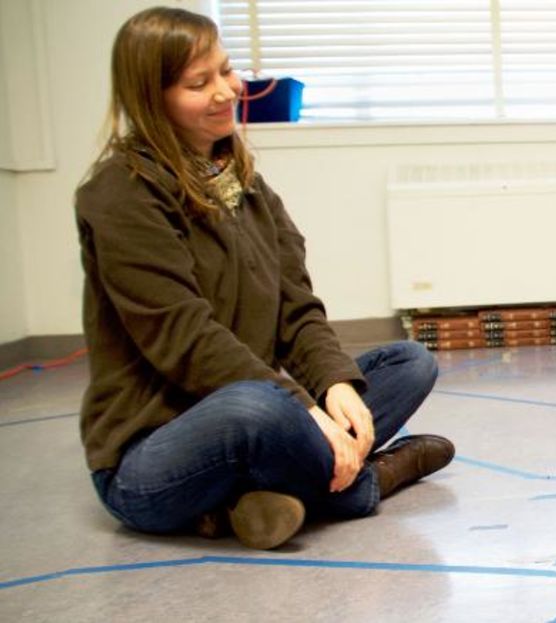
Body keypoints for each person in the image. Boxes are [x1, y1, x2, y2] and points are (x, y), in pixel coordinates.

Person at [75, 7, 454, 550]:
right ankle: (370, 480)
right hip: (149, 458)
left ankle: (242, 503)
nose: (226, 91)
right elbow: (185, 338)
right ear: (150, 98)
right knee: (255, 407)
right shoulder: (119, 191)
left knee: (409, 363)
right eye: (197, 83)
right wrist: (303, 409)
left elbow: (297, 309)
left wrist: (332, 385)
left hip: (262, 416)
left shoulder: (247, 185)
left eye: (226, 72)